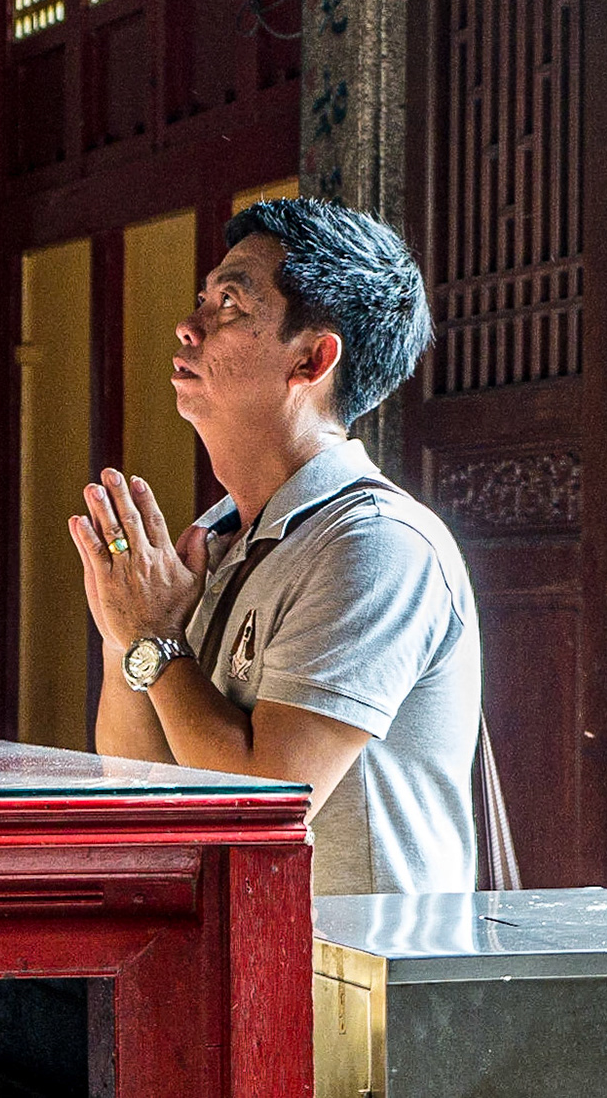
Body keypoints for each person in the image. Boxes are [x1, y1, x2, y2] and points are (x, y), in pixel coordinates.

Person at [69, 197, 478, 895]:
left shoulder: (377, 545)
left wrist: (157, 641)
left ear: (313, 359)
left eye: (231, 303)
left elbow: (260, 808)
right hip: (238, 969)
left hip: (350, 985)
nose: (189, 325)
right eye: (205, 296)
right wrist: (124, 632)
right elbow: (137, 781)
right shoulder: (225, 536)